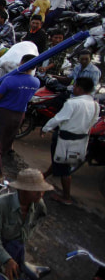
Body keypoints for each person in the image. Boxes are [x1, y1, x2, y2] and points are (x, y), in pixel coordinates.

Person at [0, 168, 51, 280]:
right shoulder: (0, 205)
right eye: (35, 190)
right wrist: (7, 259)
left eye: (42, 190)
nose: (40, 194)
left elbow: (37, 220)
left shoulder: (39, 205)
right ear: (23, 191)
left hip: (17, 248)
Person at [0, 54, 40, 179]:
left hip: (3, 113)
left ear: (22, 62)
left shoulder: (11, 79)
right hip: (19, 115)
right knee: (5, 141)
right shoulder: (36, 82)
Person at [41, 77, 99, 205]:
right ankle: (43, 176)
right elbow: (94, 122)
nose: (73, 88)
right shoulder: (95, 104)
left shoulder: (72, 103)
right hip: (81, 139)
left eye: (75, 86)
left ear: (79, 88)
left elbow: (58, 119)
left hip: (65, 138)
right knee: (61, 159)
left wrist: (45, 129)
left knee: (64, 167)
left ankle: (66, 196)